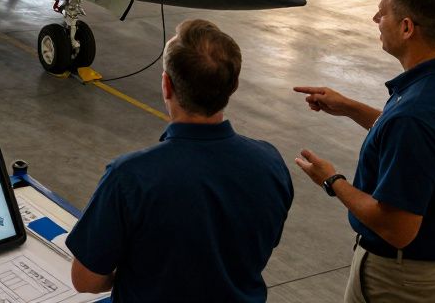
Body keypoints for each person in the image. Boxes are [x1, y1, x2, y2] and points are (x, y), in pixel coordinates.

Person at [293, 0, 435, 303]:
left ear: (406, 28)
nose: (376, 18)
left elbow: (398, 229)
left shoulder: (415, 116)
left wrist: (332, 180)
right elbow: (428, 144)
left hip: (403, 282)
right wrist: (350, 107)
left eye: (383, 12)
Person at [66, 19, 293, 302]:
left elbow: (86, 279)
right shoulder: (271, 164)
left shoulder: (130, 177)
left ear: (166, 85)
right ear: (233, 86)